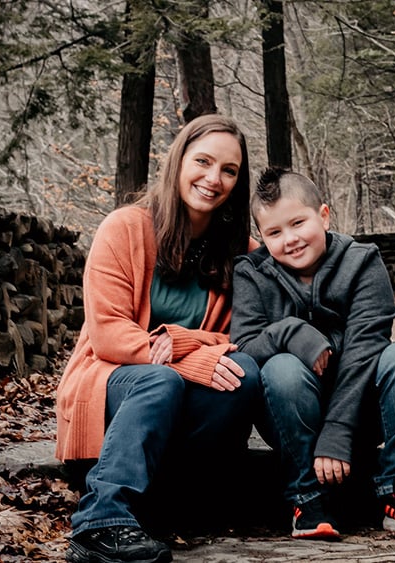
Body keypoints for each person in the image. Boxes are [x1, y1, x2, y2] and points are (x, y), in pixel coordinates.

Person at [56, 114, 263, 563]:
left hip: (182, 407)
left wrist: (185, 343)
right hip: (110, 384)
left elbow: (244, 336)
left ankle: (167, 502)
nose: (214, 178)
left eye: (229, 170)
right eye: (203, 161)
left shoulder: (242, 253)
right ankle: (99, 522)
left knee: (243, 373)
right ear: (178, 161)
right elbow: (108, 334)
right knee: (159, 381)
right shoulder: (125, 228)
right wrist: (182, 362)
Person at [231, 167, 395, 542]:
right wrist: (293, 332)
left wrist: (337, 431)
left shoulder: (361, 261)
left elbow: (366, 347)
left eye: (298, 222)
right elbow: (245, 345)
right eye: (275, 233)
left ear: (324, 215)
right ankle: (308, 496)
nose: (291, 239)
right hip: (293, 411)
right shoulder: (252, 272)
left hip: (362, 410)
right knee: (280, 366)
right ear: (260, 237)